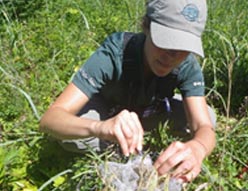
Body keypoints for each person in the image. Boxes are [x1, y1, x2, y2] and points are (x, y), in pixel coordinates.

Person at [40, 0, 216, 183]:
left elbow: (204, 126)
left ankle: (137, 146)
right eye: (165, 42)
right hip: (107, 115)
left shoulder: (187, 66)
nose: (171, 56)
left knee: (209, 116)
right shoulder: (113, 53)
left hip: (150, 112)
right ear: (146, 27)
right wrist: (100, 128)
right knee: (72, 138)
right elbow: (50, 119)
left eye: (183, 48)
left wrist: (198, 148)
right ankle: (119, 149)